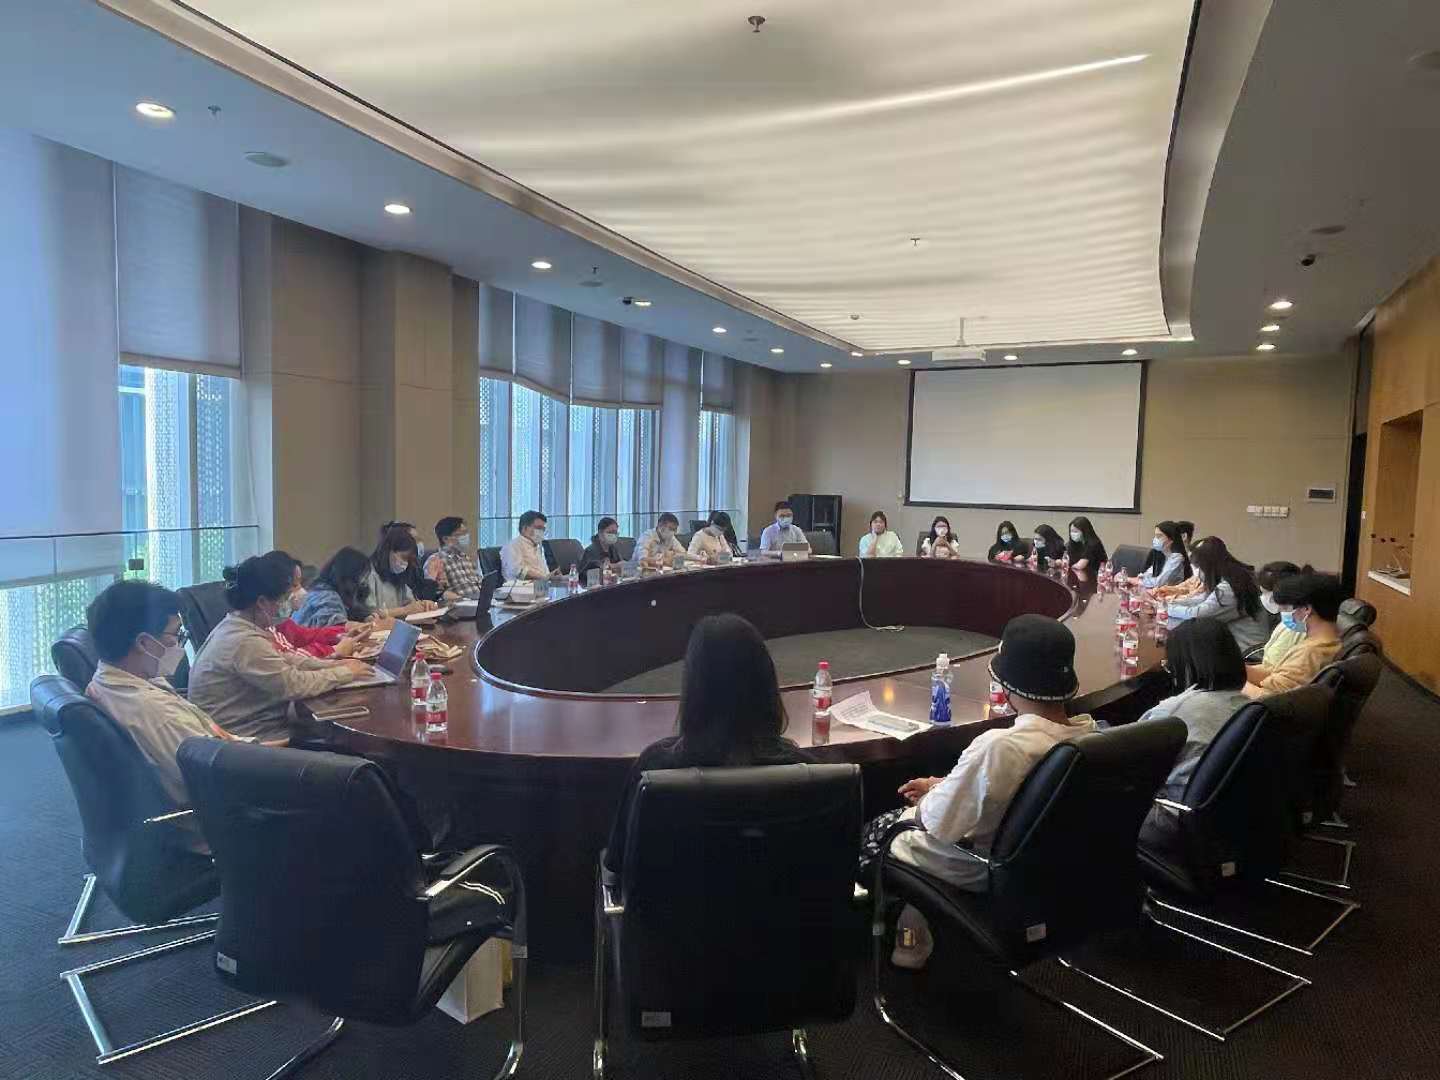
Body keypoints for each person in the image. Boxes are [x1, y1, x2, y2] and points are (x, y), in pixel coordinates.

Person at [859, 615, 1097, 968]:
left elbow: (936, 822)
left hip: (981, 866)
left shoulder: (1000, 747)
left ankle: (905, 933)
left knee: (881, 829)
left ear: (1007, 684)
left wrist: (931, 796)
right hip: (1047, 864)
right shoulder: (1090, 736)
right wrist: (944, 785)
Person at [603, 614, 808, 877]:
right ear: (768, 682)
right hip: (785, 905)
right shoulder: (807, 771)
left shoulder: (653, 769)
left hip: (675, 905)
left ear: (693, 690)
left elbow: (616, 863)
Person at [82, 580, 238, 851]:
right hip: (219, 824)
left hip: (215, 778)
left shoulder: (109, 680)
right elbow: (224, 780)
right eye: (176, 635)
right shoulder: (157, 714)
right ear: (144, 643)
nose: (180, 645)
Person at [188, 552, 370, 742]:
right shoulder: (245, 642)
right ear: (262, 602)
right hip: (252, 741)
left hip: (256, 728)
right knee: (347, 745)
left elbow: (286, 660)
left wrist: (336, 665)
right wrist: (345, 673)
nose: (288, 603)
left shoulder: (237, 625)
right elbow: (295, 684)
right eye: (284, 598)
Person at [1137, 618, 1251, 801]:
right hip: (1230, 803)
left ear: (1185, 664)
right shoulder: (1246, 704)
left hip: (1170, 807)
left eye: (1170, 665)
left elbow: (1132, 761)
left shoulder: (1173, 712)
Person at [1243, 570, 1345, 698]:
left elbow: (1270, 698)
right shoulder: (1324, 642)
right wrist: (1237, 670)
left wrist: (1236, 683)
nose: (1284, 614)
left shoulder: (1311, 653)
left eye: (1286, 609)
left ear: (1307, 609)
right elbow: (1277, 675)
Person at [1165, 536, 1269, 651]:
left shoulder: (1229, 588)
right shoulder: (1234, 576)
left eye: (1196, 566)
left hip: (1248, 650)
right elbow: (1204, 600)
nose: (1195, 571)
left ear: (1207, 565)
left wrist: (1168, 608)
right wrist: (1171, 603)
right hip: (1240, 645)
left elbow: (1198, 614)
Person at [266, 550, 361, 658]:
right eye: (294, 586)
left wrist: (340, 633)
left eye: (300, 583)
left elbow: (307, 635)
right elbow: (291, 658)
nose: (301, 590)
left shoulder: (284, 624)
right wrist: (334, 649)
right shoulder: (263, 632)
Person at [293, 546, 383, 628]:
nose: (363, 583)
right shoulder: (326, 596)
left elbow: (347, 612)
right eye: (361, 577)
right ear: (349, 576)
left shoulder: (321, 589)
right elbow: (337, 628)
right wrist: (367, 626)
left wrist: (365, 617)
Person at [364, 526, 440, 617]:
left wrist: (422, 605)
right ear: (388, 551)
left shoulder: (399, 576)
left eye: (408, 560)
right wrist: (404, 610)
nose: (405, 564)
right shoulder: (368, 574)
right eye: (404, 557)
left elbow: (411, 603)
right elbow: (367, 614)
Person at [1252, 560, 1306, 671]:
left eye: (1266, 593)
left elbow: (1270, 670)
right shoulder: (1289, 620)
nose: (1264, 598)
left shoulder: (1294, 627)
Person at [378, 520, 442, 602]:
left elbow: (420, 588)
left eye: (419, 539)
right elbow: (418, 596)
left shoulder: (414, 564)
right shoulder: (396, 567)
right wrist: (431, 578)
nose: (419, 543)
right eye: (414, 539)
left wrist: (439, 588)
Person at [424, 516, 484, 600]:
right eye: (460, 534)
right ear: (445, 539)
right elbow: (435, 593)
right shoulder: (435, 561)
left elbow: (479, 583)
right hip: (459, 604)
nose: (465, 536)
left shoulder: (465, 557)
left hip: (479, 600)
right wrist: (462, 600)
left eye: (466, 533)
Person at [501, 510, 559, 582]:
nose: (541, 531)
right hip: (520, 587)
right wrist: (543, 577)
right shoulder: (512, 546)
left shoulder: (538, 547)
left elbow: (544, 573)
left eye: (543, 529)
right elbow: (518, 571)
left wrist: (554, 577)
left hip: (540, 585)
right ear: (524, 528)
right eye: (538, 528)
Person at [1139, 521, 1191, 589]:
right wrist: (1138, 579)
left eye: (1159, 536)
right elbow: (1147, 574)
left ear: (1171, 539)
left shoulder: (1177, 558)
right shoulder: (1161, 554)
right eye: (1155, 536)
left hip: (1171, 594)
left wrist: (1138, 581)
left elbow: (1158, 583)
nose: (1155, 539)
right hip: (1154, 591)